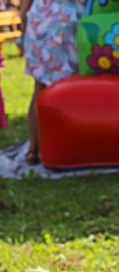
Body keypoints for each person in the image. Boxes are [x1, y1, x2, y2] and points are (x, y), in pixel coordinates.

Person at [19, 0, 85, 165]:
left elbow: (25, 5)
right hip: (70, 19)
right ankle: (68, 144)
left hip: (42, 18)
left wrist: (23, 26)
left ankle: (33, 149)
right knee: (72, 86)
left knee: (40, 87)